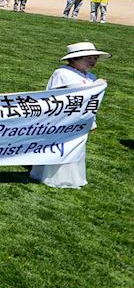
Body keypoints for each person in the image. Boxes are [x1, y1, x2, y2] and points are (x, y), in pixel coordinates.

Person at [31, 42, 107, 188]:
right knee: (59, 146)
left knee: (75, 147)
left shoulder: (91, 76)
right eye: (89, 58)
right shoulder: (62, 73)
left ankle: (72, 177)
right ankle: (53, 177)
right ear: (74, 59)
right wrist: (97, 85)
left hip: (79, 120)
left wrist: (91, 121)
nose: (93, 61)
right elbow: (58, 98)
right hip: (62, 119)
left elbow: (91, 102)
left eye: (95, 58)